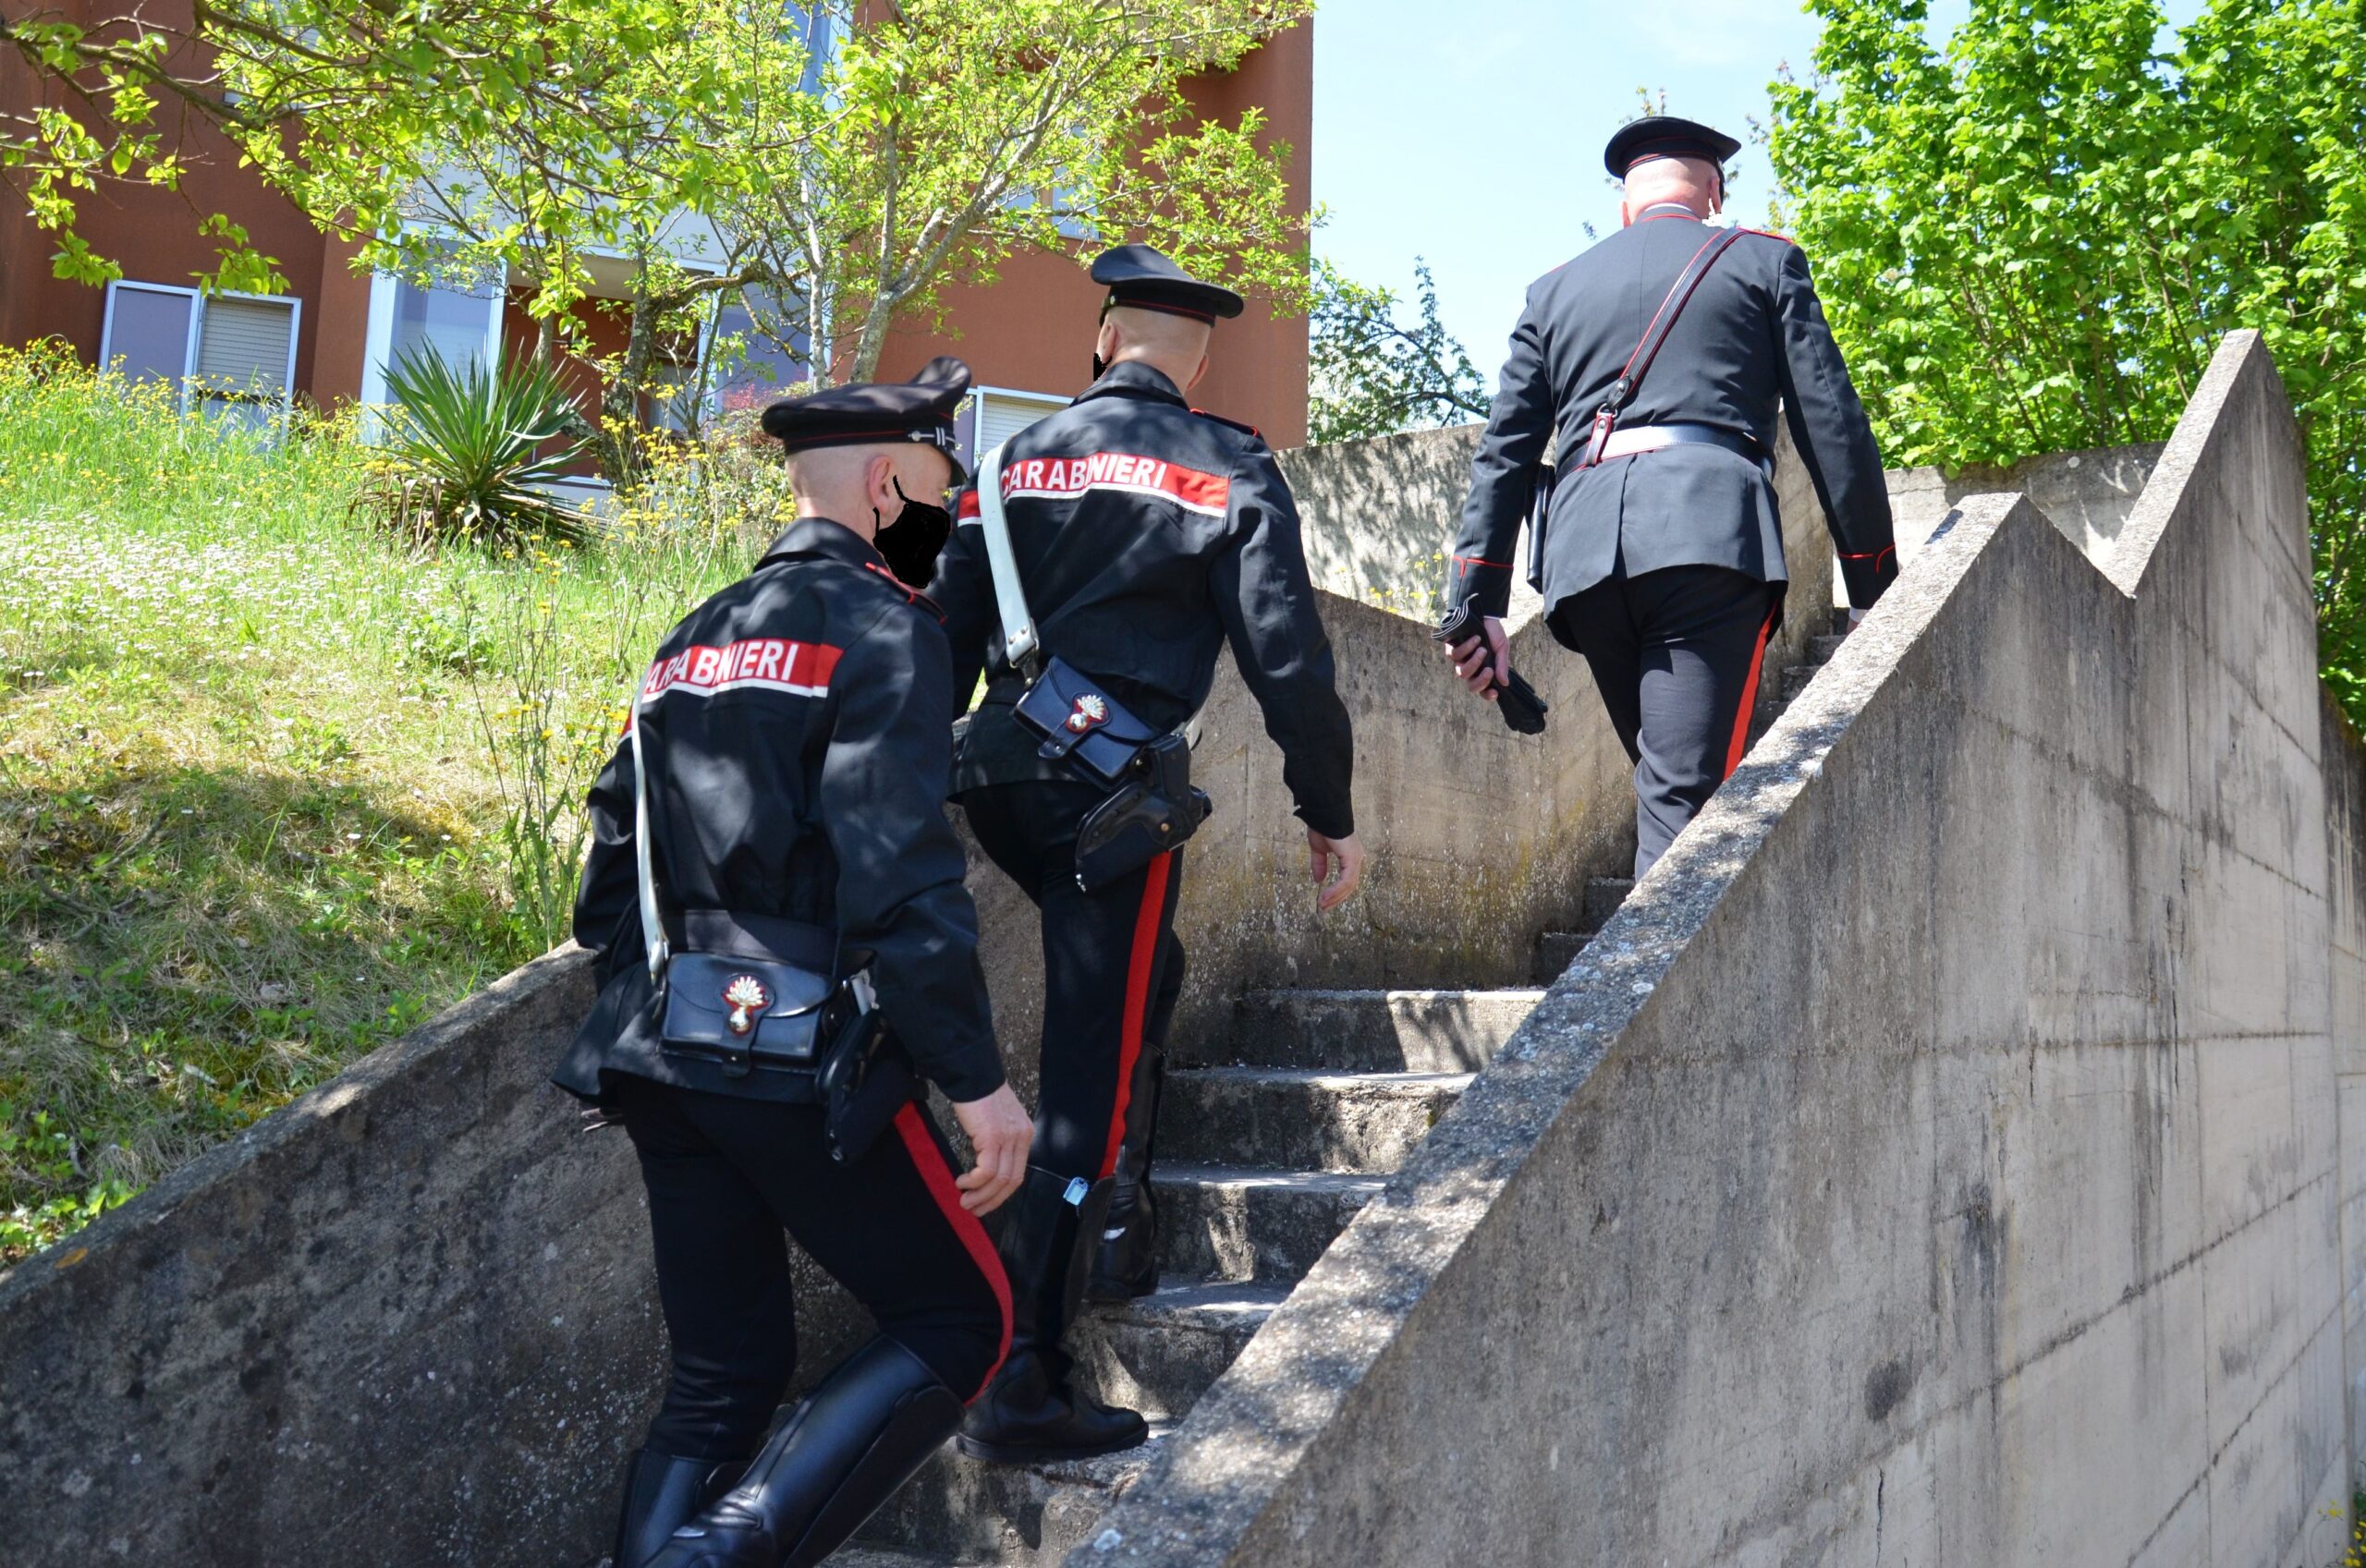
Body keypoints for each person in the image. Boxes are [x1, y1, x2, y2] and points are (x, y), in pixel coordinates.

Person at [555, 358, 1036, 1568]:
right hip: (796, 1053)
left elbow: (606, 881)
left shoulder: (688, 642)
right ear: (884, 489)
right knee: (963, 1316)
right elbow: (900, 877)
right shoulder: (888, 629)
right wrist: (977, 1083)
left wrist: (679, 995)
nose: (948, 512)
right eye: (940, 486)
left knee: (724, 1376)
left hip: (658, 1047)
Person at [925, 242, 1364, 1464]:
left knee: (1142, 980)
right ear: (1201, 357)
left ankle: (1119, 1222)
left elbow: (944, 641)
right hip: (1109, 804)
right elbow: (1288, 658)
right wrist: (1324, 802)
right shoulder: (1224, 464)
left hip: (998, 784)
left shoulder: (1009, 460)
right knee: (1084, 1089)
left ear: (1106, 340)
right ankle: (1024, 1371)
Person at [1441, 115, 1900, 878]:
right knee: (1688, 812)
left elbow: (1506, 450)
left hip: (1584, 565)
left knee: (1672, 790)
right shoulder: (1763, 262)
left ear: (1627, 201)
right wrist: (1873, 587)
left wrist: (1476, 601)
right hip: (1707, 545)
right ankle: (1637, 994)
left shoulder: (1553, 289)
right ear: (1711, 190)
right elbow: (1834, 427)